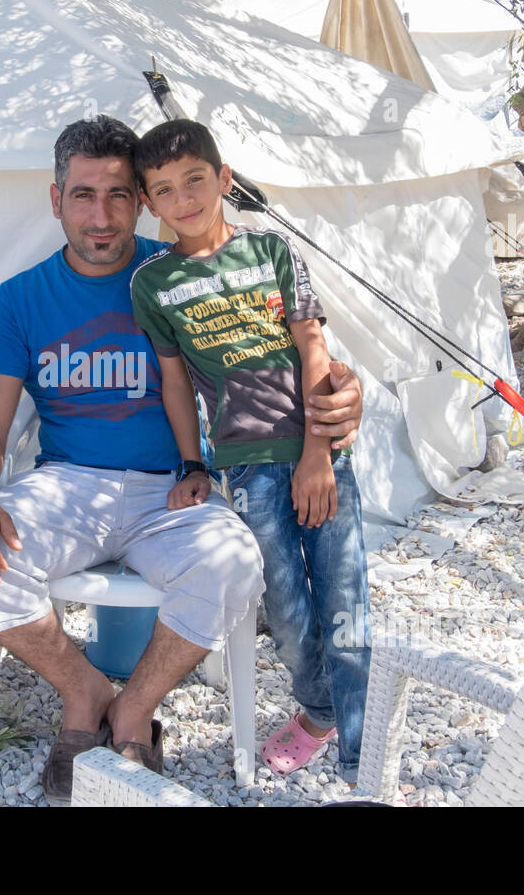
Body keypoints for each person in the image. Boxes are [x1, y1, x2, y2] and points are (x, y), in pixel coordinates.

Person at [0, 116, 364, 803]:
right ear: (56, 201)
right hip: (67, 486)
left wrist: (348, 393)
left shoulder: (177, 274)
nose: (102, 216)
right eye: (83, 195)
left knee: (234, 563)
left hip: (174, 488)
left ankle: (136, 710)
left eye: (119, 195)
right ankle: (85, 697)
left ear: (143, 201)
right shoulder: (19, 299)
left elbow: (287, 352)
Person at [129, 119, 372, 786]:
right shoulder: (154, 284)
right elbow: (175, 381)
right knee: (288, 615)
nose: (184, 199)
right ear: (150, 204)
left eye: (195, 181)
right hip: (246, 468)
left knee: (345, 606)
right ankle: (319, 710)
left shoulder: (272, 254)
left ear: (224, 180)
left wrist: (318, 453)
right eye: (165, 190)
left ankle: (363, 762)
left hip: (318, 457)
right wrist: (195, 464)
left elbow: (312, 347)